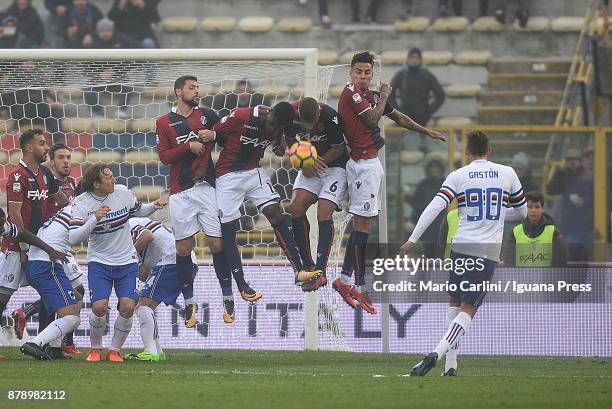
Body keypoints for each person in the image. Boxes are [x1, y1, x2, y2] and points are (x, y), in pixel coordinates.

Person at [399, 130, 527, 376]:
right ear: (489, 151)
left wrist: (412, 238)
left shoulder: (458, 175)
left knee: (455, 302)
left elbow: (435, 206)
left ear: (467, 152)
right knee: (469, 308)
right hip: (486, 250)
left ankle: (450, 366)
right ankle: (437, 353)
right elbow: (521, 213)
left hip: (460, 247)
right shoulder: (507, 173)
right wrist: (499, 214)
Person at [332, 51, 445, 315]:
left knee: (364, 224)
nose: (362, 76)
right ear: (351, 73)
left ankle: (348, 280)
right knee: (363, 225)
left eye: (367, 72)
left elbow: (399, 117)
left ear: (372, 74)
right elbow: (373, 119)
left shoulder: (371, 97)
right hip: (362, 166)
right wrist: (384, 94)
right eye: (358, 72)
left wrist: (427, 131)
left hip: (371, 165)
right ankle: (356, 285)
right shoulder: (351, 94)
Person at [156, 75, 256, 328]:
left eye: (197, 87)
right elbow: (165, 157)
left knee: (217, 243)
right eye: (191, 87)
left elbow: (227, 138)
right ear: (179, 91)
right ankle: (189, 303)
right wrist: (188, 147)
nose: (196, 91)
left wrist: (213, 136)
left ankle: (228, 298)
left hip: (207, 188)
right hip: (180, 192)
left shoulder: (209, 115)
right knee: (183, 249)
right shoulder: (164, 122)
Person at [200, 102, 318, 288]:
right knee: (229, 229)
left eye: (277, 127)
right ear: (268, 113)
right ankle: (240, 283)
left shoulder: (278, 126)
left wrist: (279, 149)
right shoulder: (240, 116)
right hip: (228, 174)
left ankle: (299, 269)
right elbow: (212, 134)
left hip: (254, 171)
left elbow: (277, 146)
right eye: (272, 123)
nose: (272, 128)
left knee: (275, 213)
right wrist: (205, 166)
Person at [70, 163, 167, 362]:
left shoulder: (122, 192)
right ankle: (95, 348)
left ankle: (115, 350)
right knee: (99, 306)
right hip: (99, 262)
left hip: (127, 261)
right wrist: (94, 219)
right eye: (108, 177)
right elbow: (74, 237)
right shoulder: (81, 203)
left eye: (113, 176)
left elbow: (138, 210)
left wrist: (153, 207)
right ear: (96, 183)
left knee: (128, 306)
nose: (114, 179)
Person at [12, 143, 83, 354]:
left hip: (59, 246)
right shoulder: (43, 184)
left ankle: (49, 336)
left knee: (74, 292)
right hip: (44, 245)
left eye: (69, 157)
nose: (66, 161)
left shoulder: (71, 185)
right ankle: (52, 341)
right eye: (61, 157)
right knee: (72, 293)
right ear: (51, 161)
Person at [0, 129, 69, 345]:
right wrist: (23, 248)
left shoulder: (45, 174)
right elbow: (14, 215)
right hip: (17, 247)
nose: (46, 147)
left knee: (59, 290)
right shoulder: (17, 177)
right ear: (29, 148)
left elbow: (63, 200)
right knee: (3, 296)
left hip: (40, 245)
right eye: (42, 143)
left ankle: (45, 343)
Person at [20, 203, 103, 360]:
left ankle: (54, 347)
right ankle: (36, 344)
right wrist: (95, 218)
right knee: (71, 318)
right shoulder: (78, 210)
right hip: (48, 265)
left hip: (44, 262)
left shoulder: (64, 210)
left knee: (77, 296)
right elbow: (75, 237)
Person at [285, 97, 348, 291]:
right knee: (295, 208)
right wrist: (303, 162)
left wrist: (316, 161)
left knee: (323, 213)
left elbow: (339, 148)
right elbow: (289, 139)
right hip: (310, 166)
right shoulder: (291, 114)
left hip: (334, 167)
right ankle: (308, 265)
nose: (310, 128)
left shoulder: (331, 116)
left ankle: (320, 271)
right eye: (306, 124)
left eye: (313, 124)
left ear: (319, 114)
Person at [124, 217, 197, 361]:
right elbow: (144, 274)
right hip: (185, 260)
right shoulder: (143, 226)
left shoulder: (129, 224)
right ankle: (157, 351)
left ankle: (150, 351)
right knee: (144, 304)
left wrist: (128, 256)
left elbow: (147, 236)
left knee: (144, 306)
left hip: (171, 260)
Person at [0, 207, 69, 360]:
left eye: (2, 224)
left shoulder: (5, 227)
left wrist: (50, 250)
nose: (2, 228)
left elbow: (24, 234)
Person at [389, 47, 445, 151]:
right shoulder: (401, 75)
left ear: (420, 59)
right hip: (404, 118)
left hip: (422, 120)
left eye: (417, 57)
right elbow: (390, 95)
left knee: (422, 150)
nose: (414, 60)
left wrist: (429, 111)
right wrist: (397, 112)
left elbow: (440, 95)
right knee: (401, 151)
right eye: (412, 57)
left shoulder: (426, 75)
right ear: (408, 59)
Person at [546, 147, 594, 262]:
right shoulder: (563, 174)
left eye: (575, 159)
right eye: (569, 159)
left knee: (589, 257)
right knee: (572, 256)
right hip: (570, 223)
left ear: (580, 160)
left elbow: (597, 196)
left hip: (587, 222)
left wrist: (584, 201)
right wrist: (560, 172)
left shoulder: (588, 175)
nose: (572, 162)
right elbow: (550, 190)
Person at [504, 191, 567, 268]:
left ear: (542, 209)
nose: (533, 210)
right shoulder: (515, 232)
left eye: (537, 207)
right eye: (530, 207)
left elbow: (561, 261)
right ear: (525, 208)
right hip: (521, 279)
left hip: (546, 279)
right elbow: (509, 261)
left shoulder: (553, 232)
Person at [407, 155, 447, 258]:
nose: (434, 169)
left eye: (436, 167)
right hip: (427, 230)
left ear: (441, 169)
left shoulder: (446, 183)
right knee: (428, 258)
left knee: (443, 258)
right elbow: (416, 205)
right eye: (431, 167)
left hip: (443, 226)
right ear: (428, 169)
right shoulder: (422, 185)